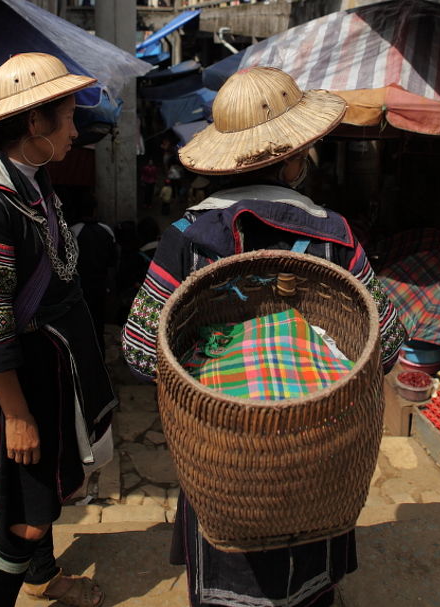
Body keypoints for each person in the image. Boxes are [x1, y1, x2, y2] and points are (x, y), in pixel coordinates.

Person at [122, 66, 406, 607]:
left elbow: (140, 352)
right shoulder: (335, 235)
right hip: (319, 452)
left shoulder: (185, 238)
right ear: (295, 155)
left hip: (222, 462)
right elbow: (386, 346)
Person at [0, 53, 117, 607]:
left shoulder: (32, 178)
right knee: (22, 519)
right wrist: (17, 415)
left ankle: (43, 580)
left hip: (51, 374)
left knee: (42, 492)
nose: (75, 129)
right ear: (33, 124)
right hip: (22, 386)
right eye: (67, 117)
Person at [69, 191, 119, 341]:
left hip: (80, 289)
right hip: (100, 286)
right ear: (95, 209)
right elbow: (113, 261)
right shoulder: (107, 230)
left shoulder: (73, 231)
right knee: (98, 325)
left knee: (81, 328)